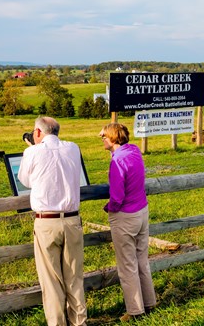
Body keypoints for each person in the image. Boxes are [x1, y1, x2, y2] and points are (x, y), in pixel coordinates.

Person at [18, 116, 87, 326]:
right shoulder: (73, 148)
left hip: (46, 221)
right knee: (74, 276)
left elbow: (25, 180)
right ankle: (79, 322)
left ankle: (57, 323)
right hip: (72, 219)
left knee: (51, 279)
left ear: (38, 132)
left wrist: (32, 148)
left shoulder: (32, 152)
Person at [99, 123, 157, 322]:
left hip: (125, 216)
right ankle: (149, 303)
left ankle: (134, 310)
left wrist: (109, 208)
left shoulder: (117, 162)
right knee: (142, 260)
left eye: (104, 137)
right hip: (142, 211)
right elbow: (118, 153)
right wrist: (109, 134)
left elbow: (117, 195)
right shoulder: (134, 152)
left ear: (113, 139)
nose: (102, 139)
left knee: (127, 266)